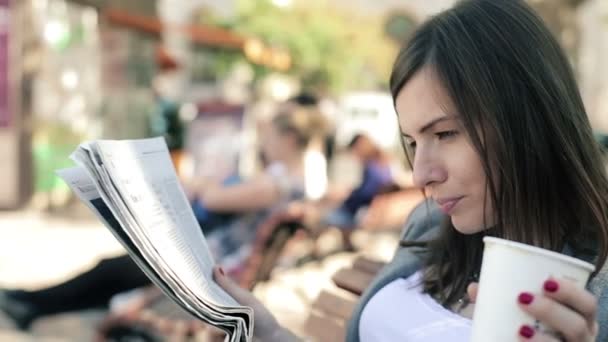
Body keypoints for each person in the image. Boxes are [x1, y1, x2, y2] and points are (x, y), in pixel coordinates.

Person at [211, 1, 608, 341]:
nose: (421, 175)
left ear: (528, 120)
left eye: (446, 133)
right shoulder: (431, 225)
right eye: (414, 142)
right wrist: (271, 332)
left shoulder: (597, 286)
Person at [0, 105, 328, 331]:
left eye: (269, 135)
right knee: (115, 269)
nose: (264, 142)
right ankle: (30, 304)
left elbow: (214, 197)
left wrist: (207, 184)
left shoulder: (277, 182)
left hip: (208, 268)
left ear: (287, 139)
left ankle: (30, 304)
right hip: (213, 262)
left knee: (114, 269)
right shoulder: (289, 180)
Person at [318, 133, 395, 250]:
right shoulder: (378, 163)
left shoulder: (374, 166)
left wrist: (349, 194)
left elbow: (368, 191)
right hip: (360, 205)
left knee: (326, 215)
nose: (355, 155)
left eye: (355, 150)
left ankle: (344, 245)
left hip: (361, 208)